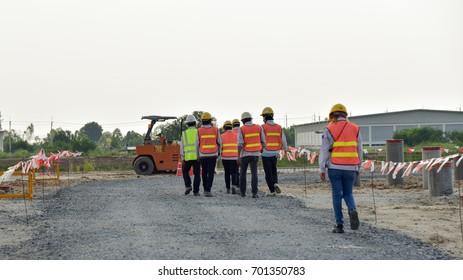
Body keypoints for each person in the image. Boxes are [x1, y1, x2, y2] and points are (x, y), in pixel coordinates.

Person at [319, 103, 362, 233]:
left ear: (332, 115)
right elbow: (359, 149)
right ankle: (352, 209)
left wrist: (322, 168)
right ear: (346, 115)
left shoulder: (329, 129)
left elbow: (324, 150)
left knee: (337, 194)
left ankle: (339, 225)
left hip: (335, 166)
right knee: (348, 193)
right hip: (351, 167)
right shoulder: (355, 128)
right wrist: (358, 167)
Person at [260, 107, 288, 196]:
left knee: (268, 172)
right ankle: (275, 183)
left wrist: (260, 149)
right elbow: (283, 140)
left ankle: (272, 191)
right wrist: (284, 149)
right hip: (275, 152)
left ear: (265, 117)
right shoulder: (279, 127)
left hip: (265, 152)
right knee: (273, 169)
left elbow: (261, 139)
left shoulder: (263, 127)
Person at [237, 112, 266, 198]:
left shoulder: (242, 129)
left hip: (245, 154)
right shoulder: (258, 127)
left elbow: (240, 144)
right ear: (251, 119)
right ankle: (254, 193)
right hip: (255, 154)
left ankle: (242, 192)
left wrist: (238, 156)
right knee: (254, 173)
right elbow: (263, 141)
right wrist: (262, 148)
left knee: (243, 173)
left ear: (242, 120)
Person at [197, 112, 221, 197]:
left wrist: (198, 155)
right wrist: (219, 153)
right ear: (210, 120)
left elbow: (197, 144)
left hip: (203, 154)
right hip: (213, 154)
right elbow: (219, 142)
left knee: (204, 172)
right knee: (210, 173)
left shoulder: (199, 130)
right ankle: (208, 190)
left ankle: (204, 189)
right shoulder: (215, 130)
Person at [180, 115, 201, 196]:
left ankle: (188, 186)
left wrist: (182, 157)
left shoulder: (184, 133)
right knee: (197, 174)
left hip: (187, 157)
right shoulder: (198, 132)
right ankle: (196, 192)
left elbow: (182, 147)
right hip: (197, 157)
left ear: (187, 124)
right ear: (195, 123)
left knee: (185, 172)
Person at [221, 120, 239, 194]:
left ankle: (228, 189)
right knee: (234, 173)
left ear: (224, 128)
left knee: (227, 173)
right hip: (234, 157)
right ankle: (234, 186)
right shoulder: (236, 136)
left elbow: (220, 147)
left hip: (225, 158)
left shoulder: (221, 136)